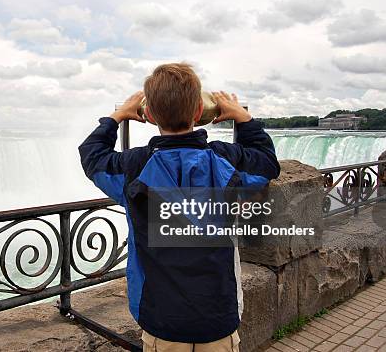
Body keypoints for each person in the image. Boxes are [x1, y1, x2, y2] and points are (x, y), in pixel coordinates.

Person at [78, 63, 280, 352]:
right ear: (199, 113)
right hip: (217, 317)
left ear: (148, 115)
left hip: (162, 321)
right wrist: (244, 119)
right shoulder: (225, 159)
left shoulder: (134, 167)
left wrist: (117, 116)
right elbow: (266, 163)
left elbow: (93, 156)